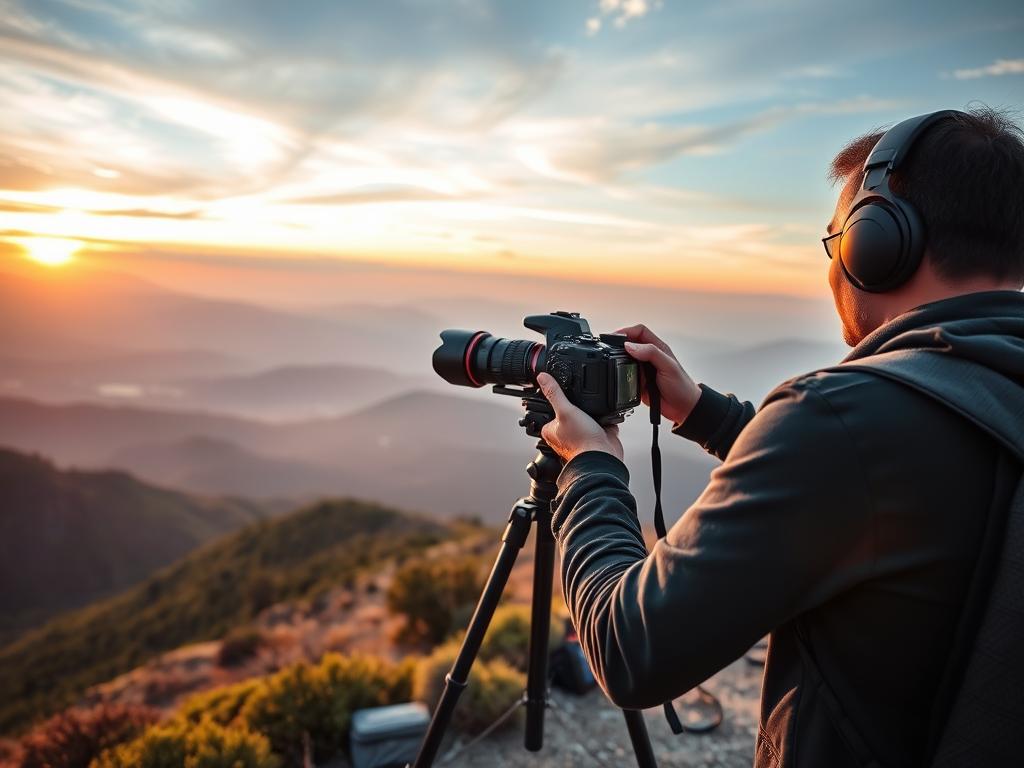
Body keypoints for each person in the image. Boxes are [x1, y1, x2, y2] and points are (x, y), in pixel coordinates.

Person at [534, 107, 1024, 767]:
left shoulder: (841, 417)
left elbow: (630, 651)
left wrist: (589, 466)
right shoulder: (985, 389)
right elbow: (881, 491)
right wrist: (702, 411)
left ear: (875, 243)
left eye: (835, 240)